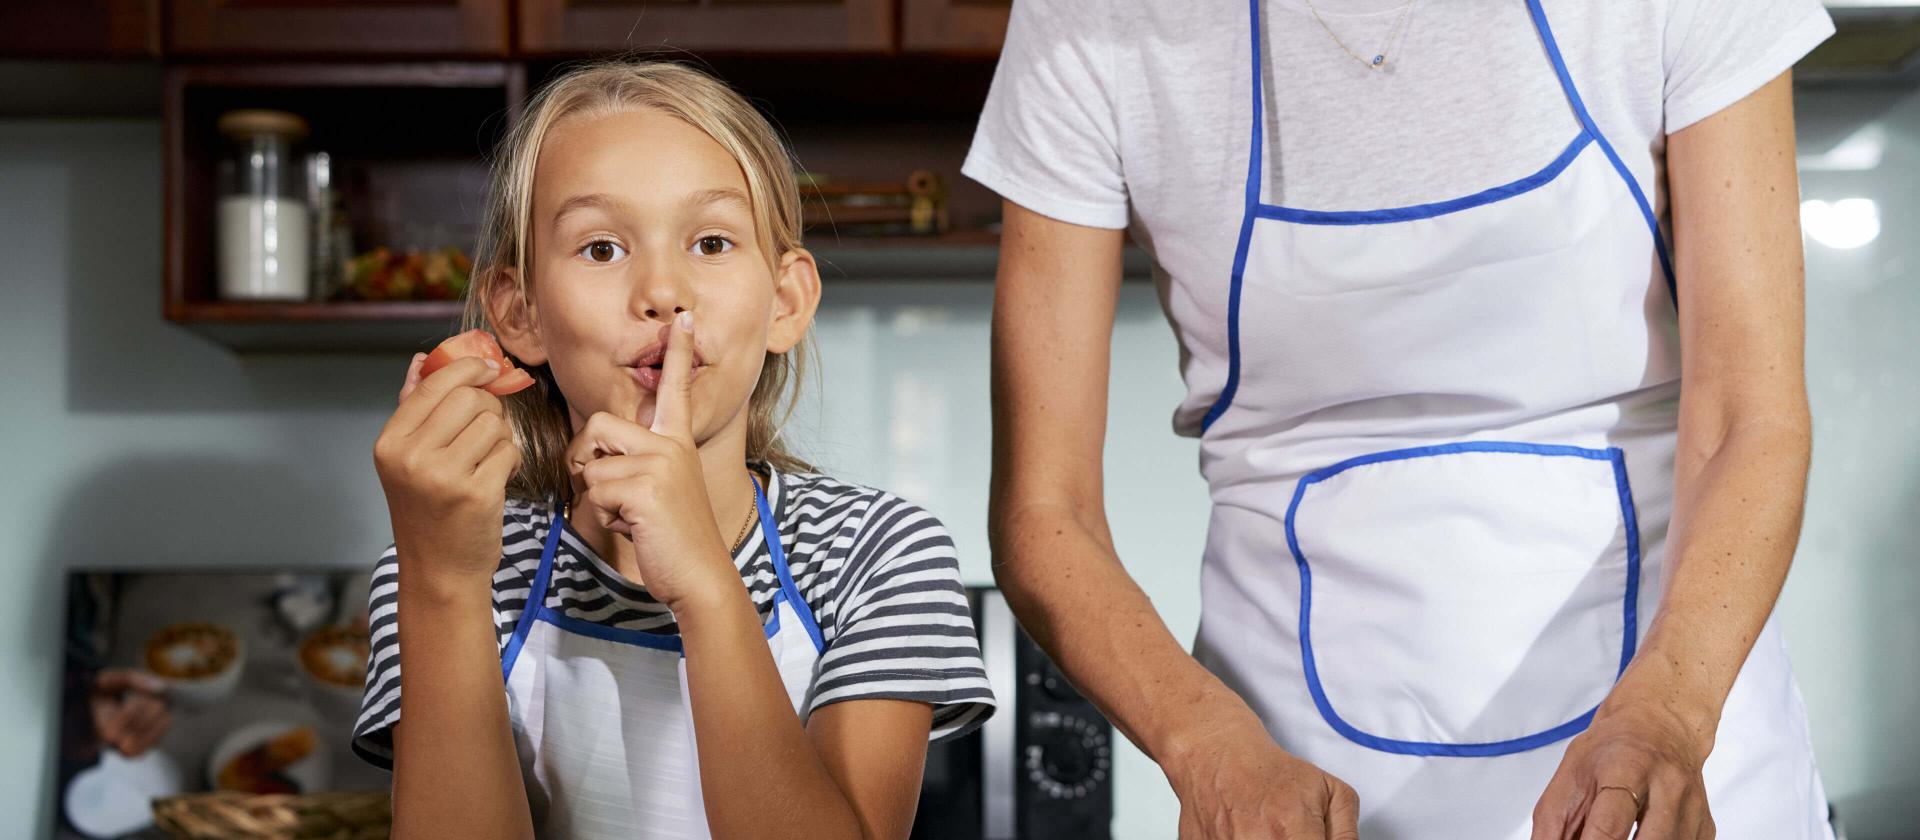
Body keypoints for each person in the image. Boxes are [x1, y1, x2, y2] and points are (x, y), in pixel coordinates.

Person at [967, 0, 1834, 837]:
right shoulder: (1092, 22)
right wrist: (1207, 748)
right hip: (1287, 763)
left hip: (1681, 706)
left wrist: (1672, 714)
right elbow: (1047, 513)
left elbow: (1746, 417)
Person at [353, 60, 995, 840]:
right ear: (522, 315)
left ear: (785, 302)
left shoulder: (879, 557)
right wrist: (443, 584)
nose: (662, 290)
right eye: (600, 249)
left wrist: (703, 582)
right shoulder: (443, 564)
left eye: (712, 242)